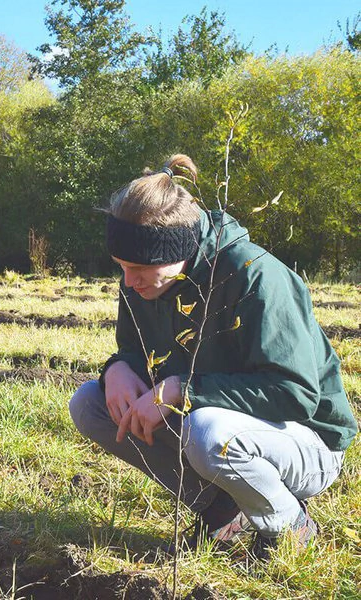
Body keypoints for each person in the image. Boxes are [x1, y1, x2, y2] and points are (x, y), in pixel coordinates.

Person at [68, 154, 357, 560]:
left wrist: (181, 389)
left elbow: (297, 394)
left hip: (306, 442)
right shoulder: (142, 281)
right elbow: (134, 349)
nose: (128, 282)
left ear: (178, 249)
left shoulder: (256, 276)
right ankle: (223, 511)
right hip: (215, 420)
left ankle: (289, 525)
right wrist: (117, 368)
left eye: (139, 268)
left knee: (210, 434)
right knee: (89, 404)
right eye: (121, 266)